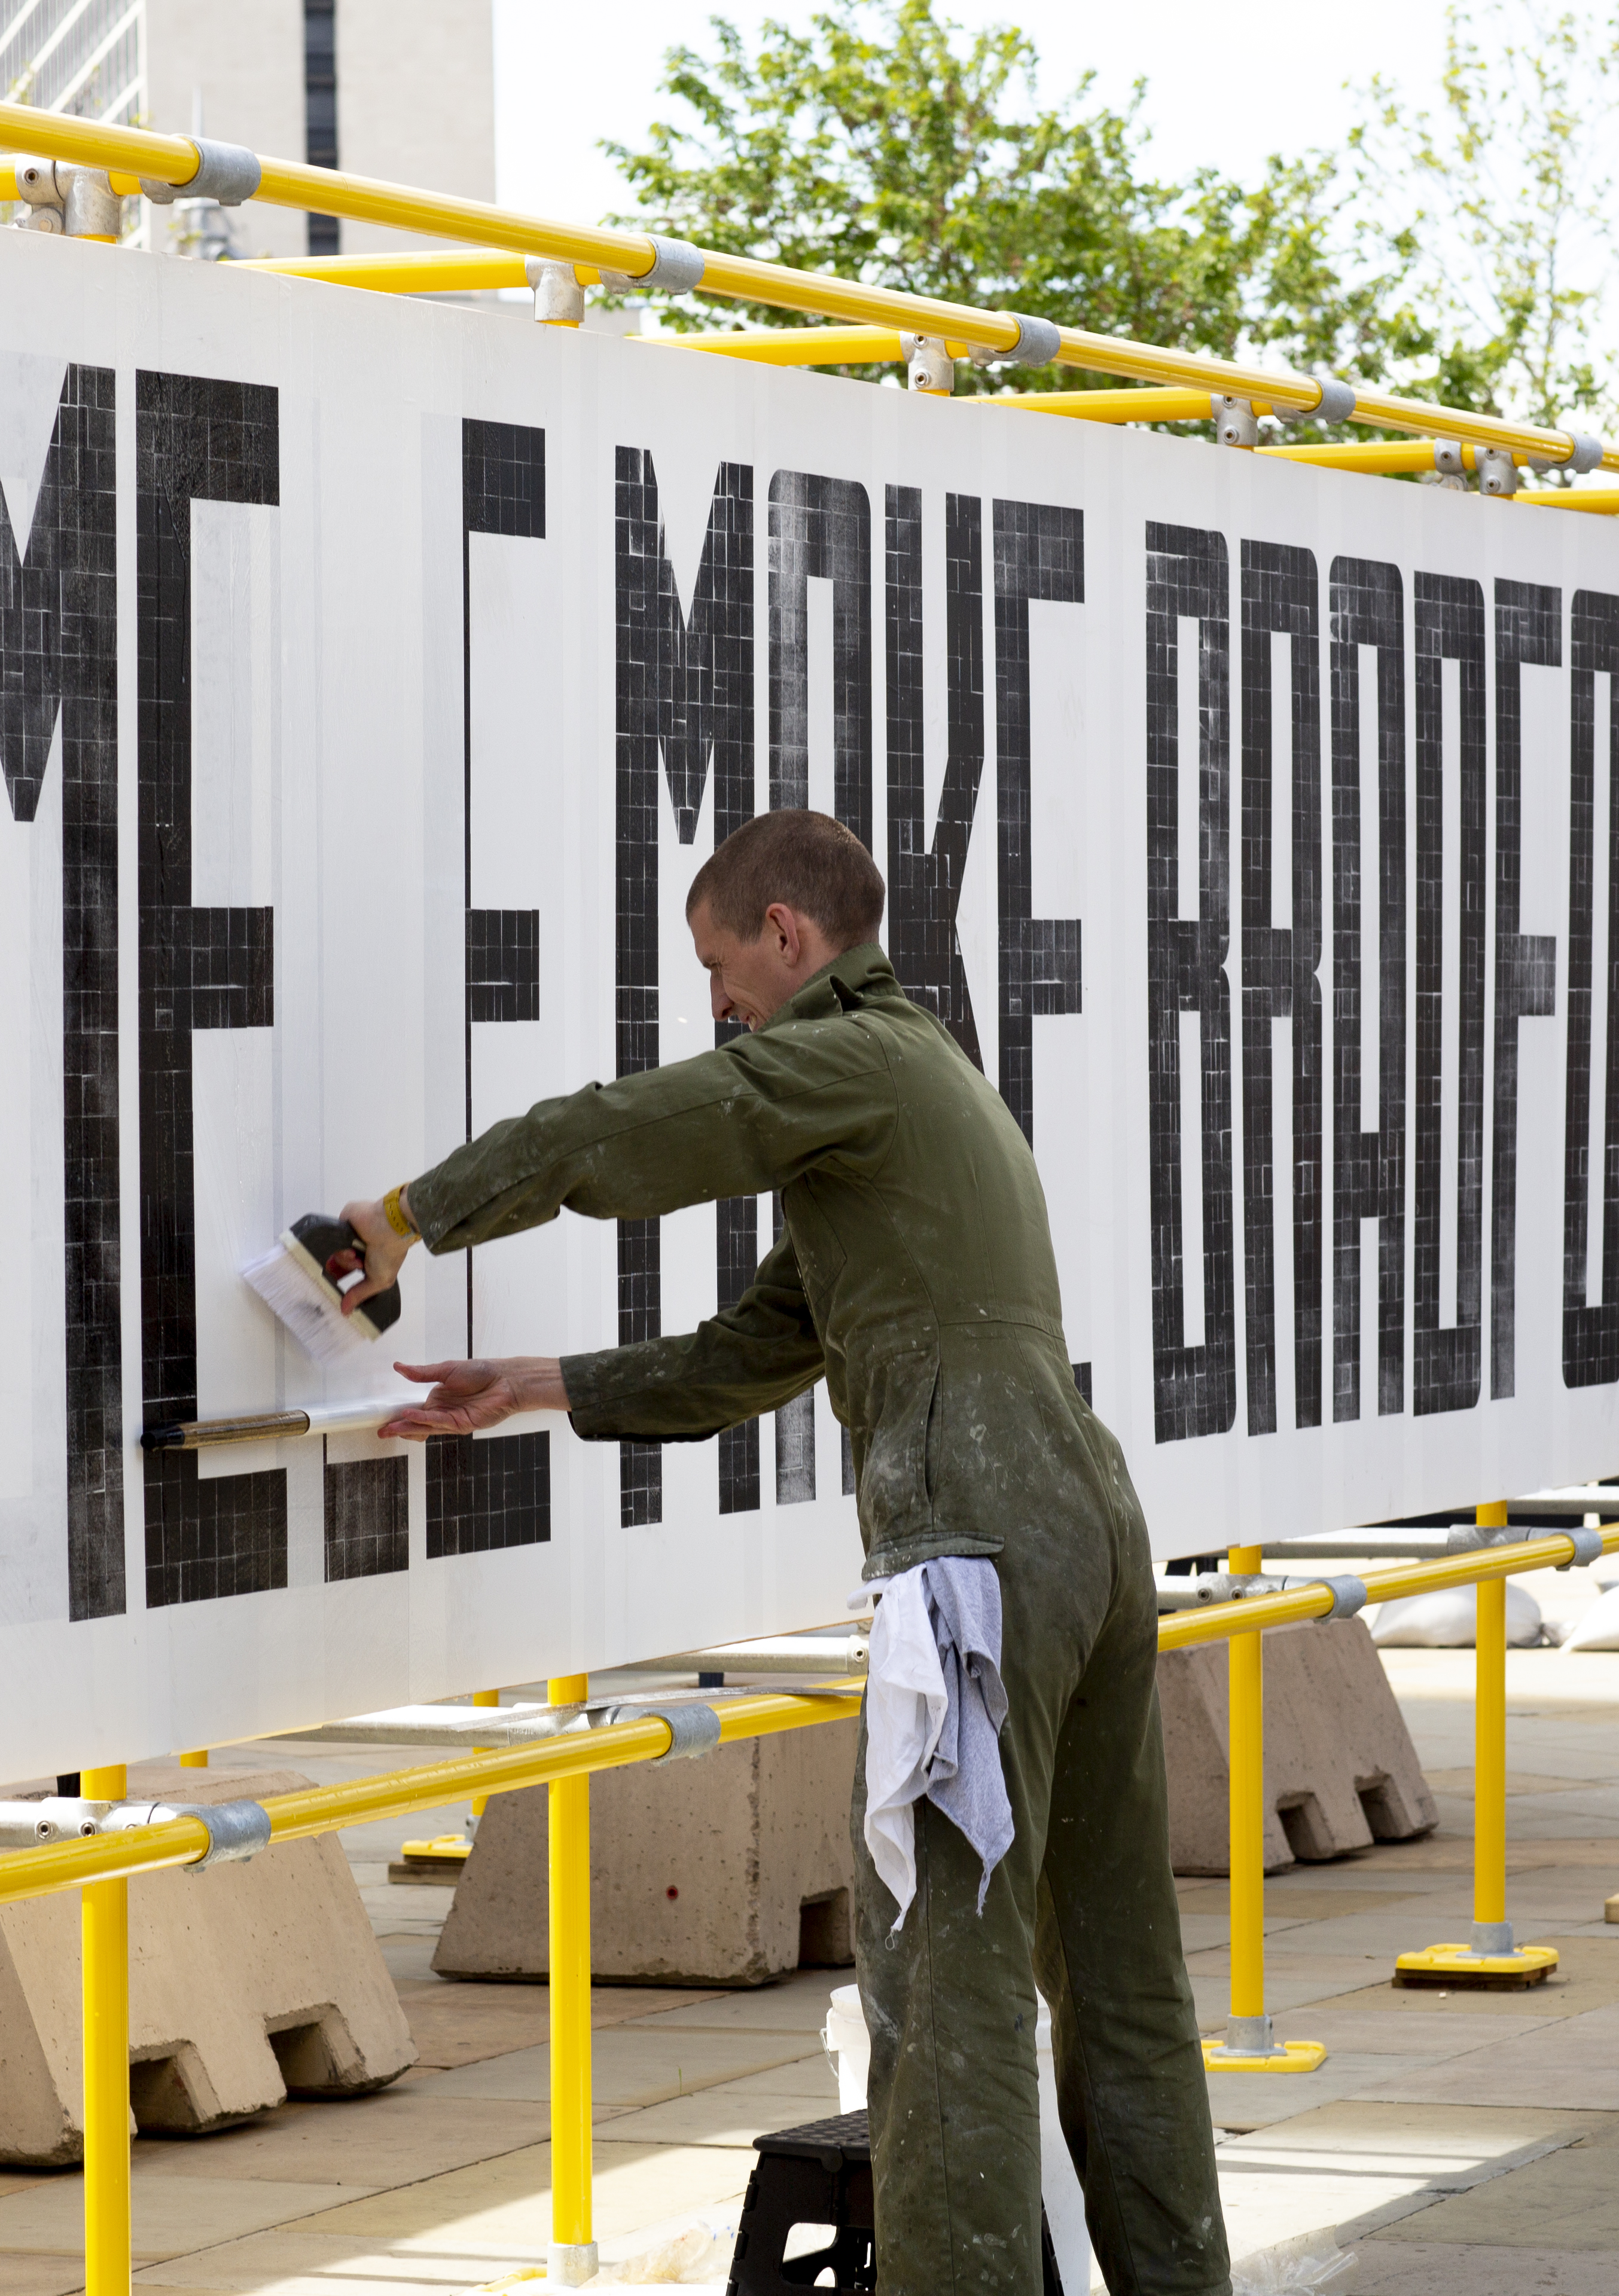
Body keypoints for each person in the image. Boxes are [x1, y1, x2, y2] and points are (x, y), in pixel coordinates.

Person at [332, 808, 1227, 2296]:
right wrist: (550, 1384)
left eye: (719, 964)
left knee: (947, 1995)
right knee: (1122, 1980)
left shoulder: (847, 1060)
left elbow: (624, 1132)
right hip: (1088, 1529)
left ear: (788, 935)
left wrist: (410, 1217)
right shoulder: (923, 1082)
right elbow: (767, 1345)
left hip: (977, 1552)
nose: (715, 1005)